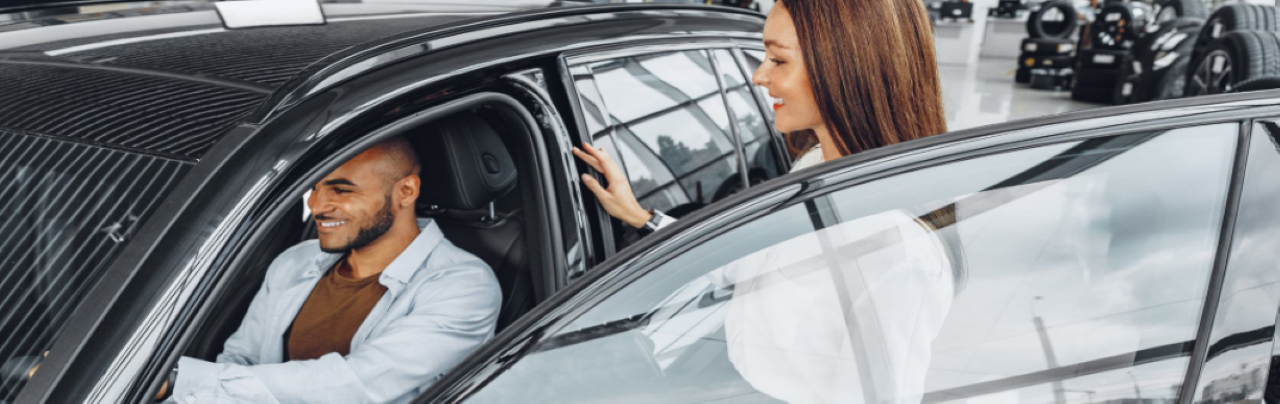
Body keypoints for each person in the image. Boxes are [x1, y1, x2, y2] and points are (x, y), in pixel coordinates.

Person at [574, 0, 955, 402]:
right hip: (731, 379)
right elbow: (749, 261)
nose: (758, 75)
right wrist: (641, 217)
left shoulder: (893, 248)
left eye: (777, 59)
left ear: (846, 70)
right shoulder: (816, 167)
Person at [159, 137, 502, 403]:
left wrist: (179, 381)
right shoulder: (295, 262)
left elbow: (357, 387)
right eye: (316, 188)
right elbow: (240, 360)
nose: (317, 206)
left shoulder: (464, 285)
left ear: (406, 191)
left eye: (341, 189)